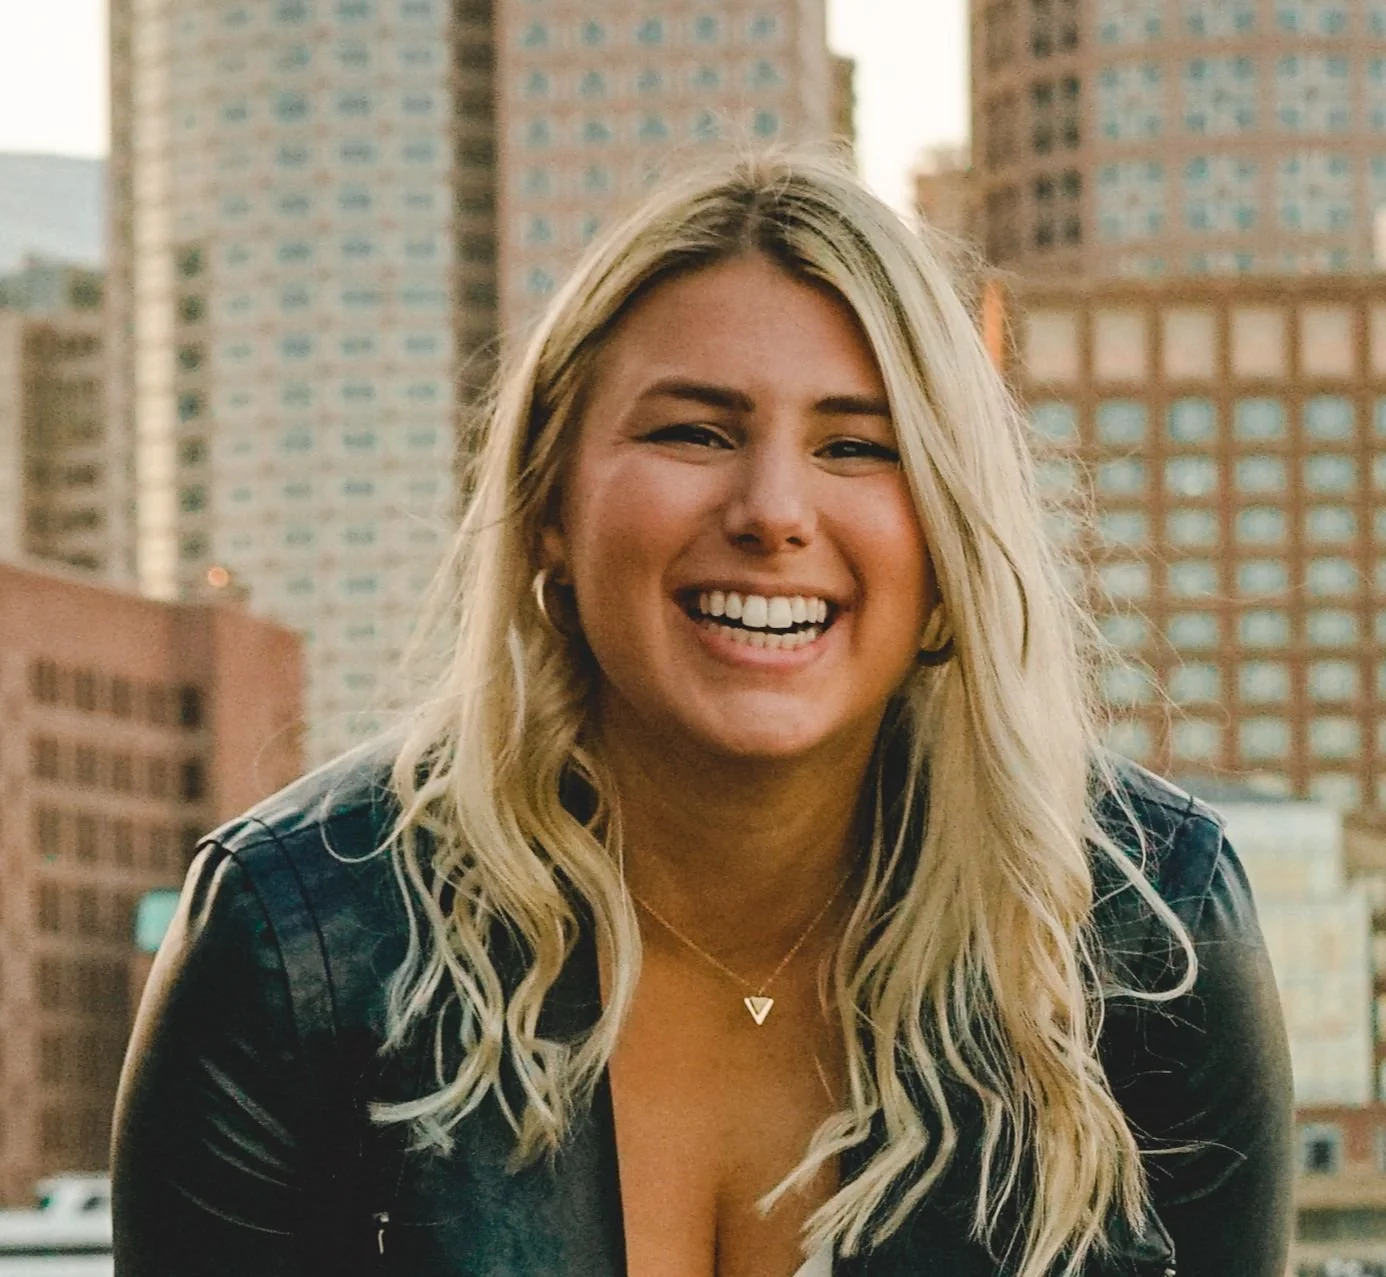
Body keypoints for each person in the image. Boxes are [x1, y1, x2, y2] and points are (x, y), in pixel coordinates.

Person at [111, 150, 1293, 1277]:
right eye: (694, 431)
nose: (773, 509)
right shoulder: (298, 941)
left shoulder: (1149, 931)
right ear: (549, 506)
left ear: (949, 545)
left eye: (857, 445)